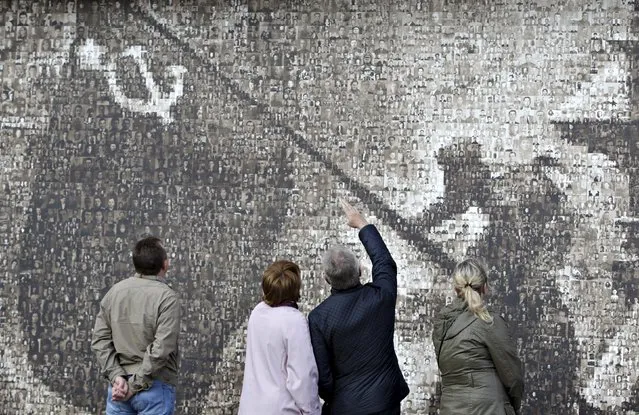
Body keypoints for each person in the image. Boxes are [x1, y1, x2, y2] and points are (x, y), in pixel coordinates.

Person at [309, 200, 409, 414]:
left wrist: (338, 398)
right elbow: (384, 261)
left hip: (346, 406)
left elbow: (324, 377)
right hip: (385, 402)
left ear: (326, 280)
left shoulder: (319, 318)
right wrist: (362, 224)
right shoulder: (381, 297)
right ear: (360, 271)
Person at [91, 237, 180, 415]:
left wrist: (117, 377)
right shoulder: (167, 298)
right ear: (165, 264)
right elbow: (161, 348)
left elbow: (99, 340)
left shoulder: (114, 293)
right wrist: (135, 385)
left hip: (119, 388)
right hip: (154, 388)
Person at [432, 258, 524, 415]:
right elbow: (513, 377)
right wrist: (512, 406)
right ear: (485, 287)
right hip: (489, 409)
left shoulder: (442, 325)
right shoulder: (489, 322)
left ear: (455, 289)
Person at [238, 260, 321, 415]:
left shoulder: (257, 312)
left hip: (250, 407)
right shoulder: (294, 320)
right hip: (282, 409)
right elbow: (301, 377)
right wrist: (313, 411)